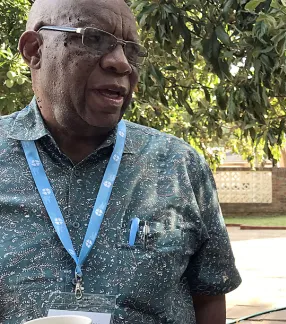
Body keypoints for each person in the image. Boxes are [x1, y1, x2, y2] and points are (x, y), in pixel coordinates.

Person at [0, 0, 241, 322]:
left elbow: (209, 295)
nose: (121, 63)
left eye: (132, 51)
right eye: (94, 39)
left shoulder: (178, 163)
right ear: (34, 50)